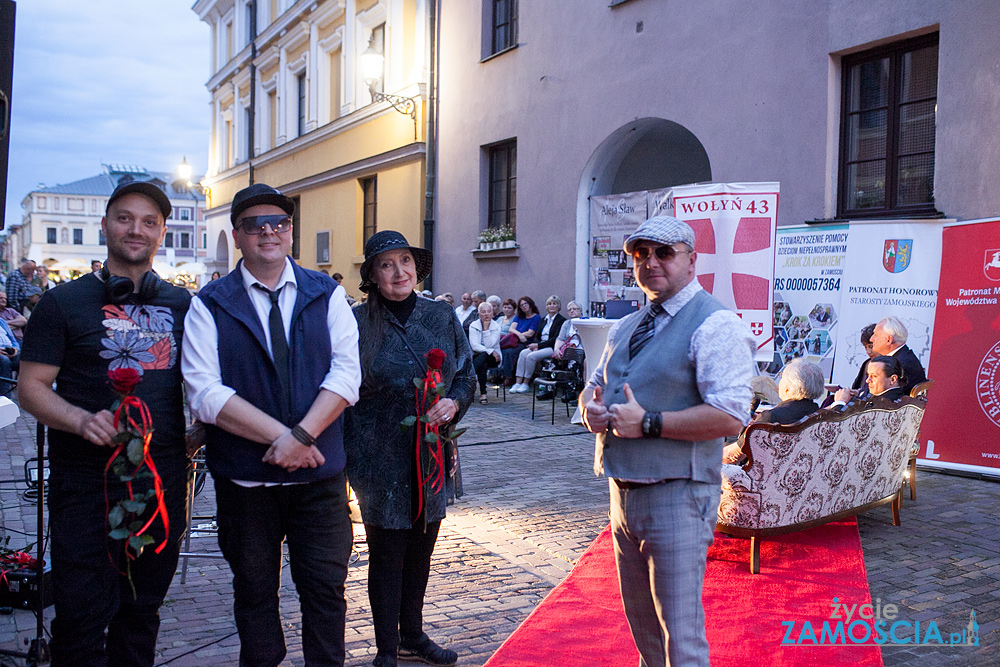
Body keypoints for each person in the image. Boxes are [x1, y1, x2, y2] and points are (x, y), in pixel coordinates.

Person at [181, 183, 360, 667]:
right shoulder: (210, 304)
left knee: (325, 593)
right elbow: (205, 392)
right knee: (254, 592)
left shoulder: (327, 295)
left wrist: (301, 437)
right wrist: (283, 439)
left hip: (318, 481)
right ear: (237, 235)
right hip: (246, 482)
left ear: (290, 231)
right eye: (254, 225)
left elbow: (347, 374)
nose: (268, 232)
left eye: (278, 223)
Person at [17, 178, 191, 666]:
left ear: (161, 233)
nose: (136, 229)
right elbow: (29, 388)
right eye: (124, 218)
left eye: (149, 222)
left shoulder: (182, 306)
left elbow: (206, 383)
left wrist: (201, 431)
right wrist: (78, 419)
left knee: (143, 612)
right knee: (80, 616)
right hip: (85, 483)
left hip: (160, 481)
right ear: (105, 225)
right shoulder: (63, 304)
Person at [579, 216, 754, 667]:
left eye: (664, 252)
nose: (651, 262)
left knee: (681, 634)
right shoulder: (625, 326)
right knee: (644, 629)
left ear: (692, 260)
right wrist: (590, 411)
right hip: (623, 492)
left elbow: (731, 416)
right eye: (641, 254)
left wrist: (651, 423)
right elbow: (594, 384)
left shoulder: (716, 325)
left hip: (678, 493)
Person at [345, 230, 475, 667]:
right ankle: (385, 647)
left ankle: (412, 635)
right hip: (376, 454)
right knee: (387, 552)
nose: (398, 272)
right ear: (373, 276)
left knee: (422, 546)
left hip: (432, 454)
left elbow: (466, 376)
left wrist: (453, 403)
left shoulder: (441, 316)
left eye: (405, 262)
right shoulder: (358, 322)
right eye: (386, 264)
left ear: (416, 269)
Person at [722, 359, 824, 464]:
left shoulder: (771, 418)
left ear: (787, 388)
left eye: (781, 377)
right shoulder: (820, 414)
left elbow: (732, 456)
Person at [510, 295, 566, 393]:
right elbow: (537, 335)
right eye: (549, 304)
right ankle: (518, 382)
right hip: (539, 345)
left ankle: (526, 383)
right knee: (523, 353)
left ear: (559, 306)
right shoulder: (544, 319)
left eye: (554, 304)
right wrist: (536, 345)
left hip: (551, 347)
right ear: (547, 306)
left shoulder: (561, 320)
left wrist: (538, 346)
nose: (552, 306)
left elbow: (555, 339)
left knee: (531, 356)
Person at [870, 316, 926, 395]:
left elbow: (886, 398)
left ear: (889, 340)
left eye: (875, 335)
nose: (871, 339)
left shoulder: (900, 364)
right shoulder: (904, 357)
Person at [833, 355, 907, 406]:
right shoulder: (902, 400)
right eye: (868, 375)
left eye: (874, 376)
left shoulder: (881, 404)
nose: (868, 380)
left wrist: (840, 403)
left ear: (893, 379)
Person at [500, 296, 540, 383]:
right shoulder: (519, 316)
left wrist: (518, 335)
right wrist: (519, 335)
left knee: (509, 353)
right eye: (521, 305)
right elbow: (511, 329)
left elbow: (530, 333)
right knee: (503, 350)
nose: (524, 306)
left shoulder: (536, 317)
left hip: (526, 343)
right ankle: (499, 375)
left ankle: (508, 377)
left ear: (530, 304)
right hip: (516, 341)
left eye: (525, 304)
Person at [469, 301, 502, 404]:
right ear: (479, 314)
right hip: (478, 356)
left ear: (493, 314)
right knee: (483, 362)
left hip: (494, 358)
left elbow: (489, 344)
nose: (486, 314)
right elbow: (474, 345)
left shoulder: (496, 327)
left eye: (489, 312)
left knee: (483, 356)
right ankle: (483, 393)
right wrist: (491, 351)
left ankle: (469, 375)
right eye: (483, 312)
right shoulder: (473, 325)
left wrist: (486, 329)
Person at [850, 323, 878, 400]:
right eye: (865, 347)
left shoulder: (887, 365)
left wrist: (860, 394)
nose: (868, 351)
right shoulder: (866, 363)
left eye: (871, 347)